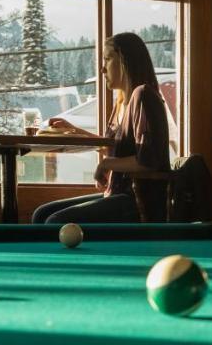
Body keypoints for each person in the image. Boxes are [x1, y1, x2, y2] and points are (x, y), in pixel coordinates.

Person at [31, 33, 171, 224]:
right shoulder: (122, 101)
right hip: (116, 193)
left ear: (124, 60)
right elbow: (117, 148)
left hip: (137, 202)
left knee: (54, 221)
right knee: (41, 214)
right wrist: (75, 131)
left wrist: (106, 164)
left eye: (107, 59)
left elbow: (147, 161)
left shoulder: (143, 95)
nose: (102, 69)